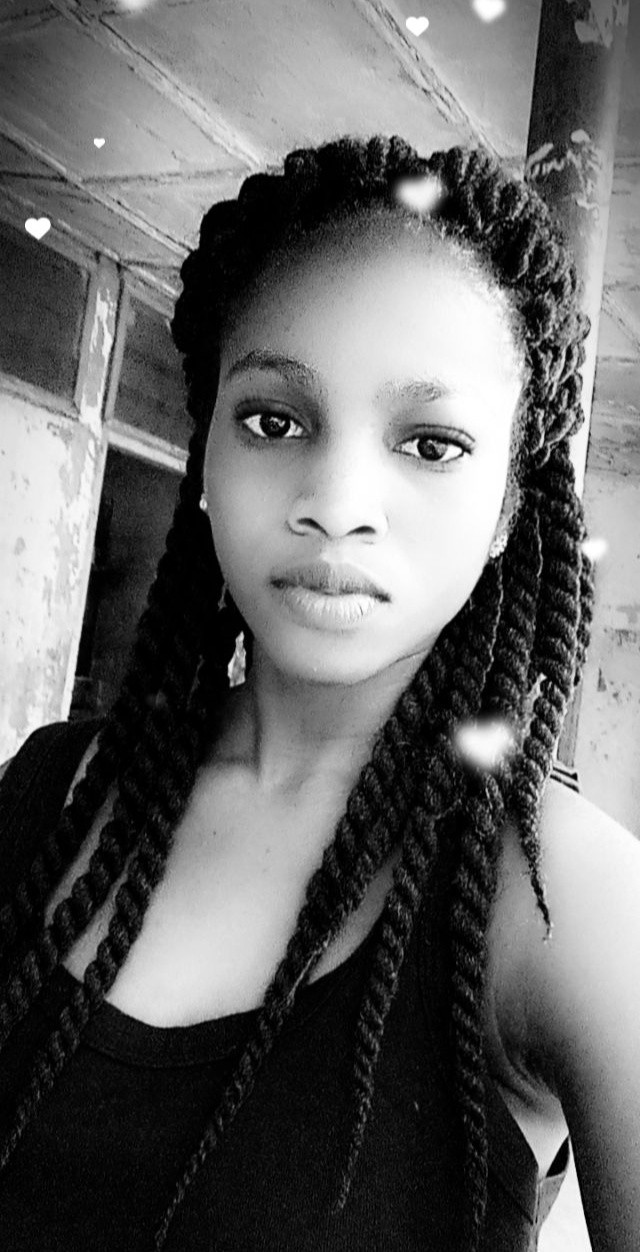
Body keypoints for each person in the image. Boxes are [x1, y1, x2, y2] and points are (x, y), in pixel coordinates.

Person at [0, 134, 638, 1252]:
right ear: (207, 456)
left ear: (505, 511)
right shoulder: (54, 787)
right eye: (274, 421)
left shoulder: (565, 902)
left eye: (430, 444)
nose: (337, 502)